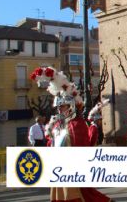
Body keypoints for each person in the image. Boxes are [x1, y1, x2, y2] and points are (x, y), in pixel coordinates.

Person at [30, 66, 111, 202]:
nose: (60, 110)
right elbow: (52, 144)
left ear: (71, 106)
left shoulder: (77, 124)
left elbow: (81, 147)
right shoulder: (57, 125)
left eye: (63, 107)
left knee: (77, 197)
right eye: (59, 107)